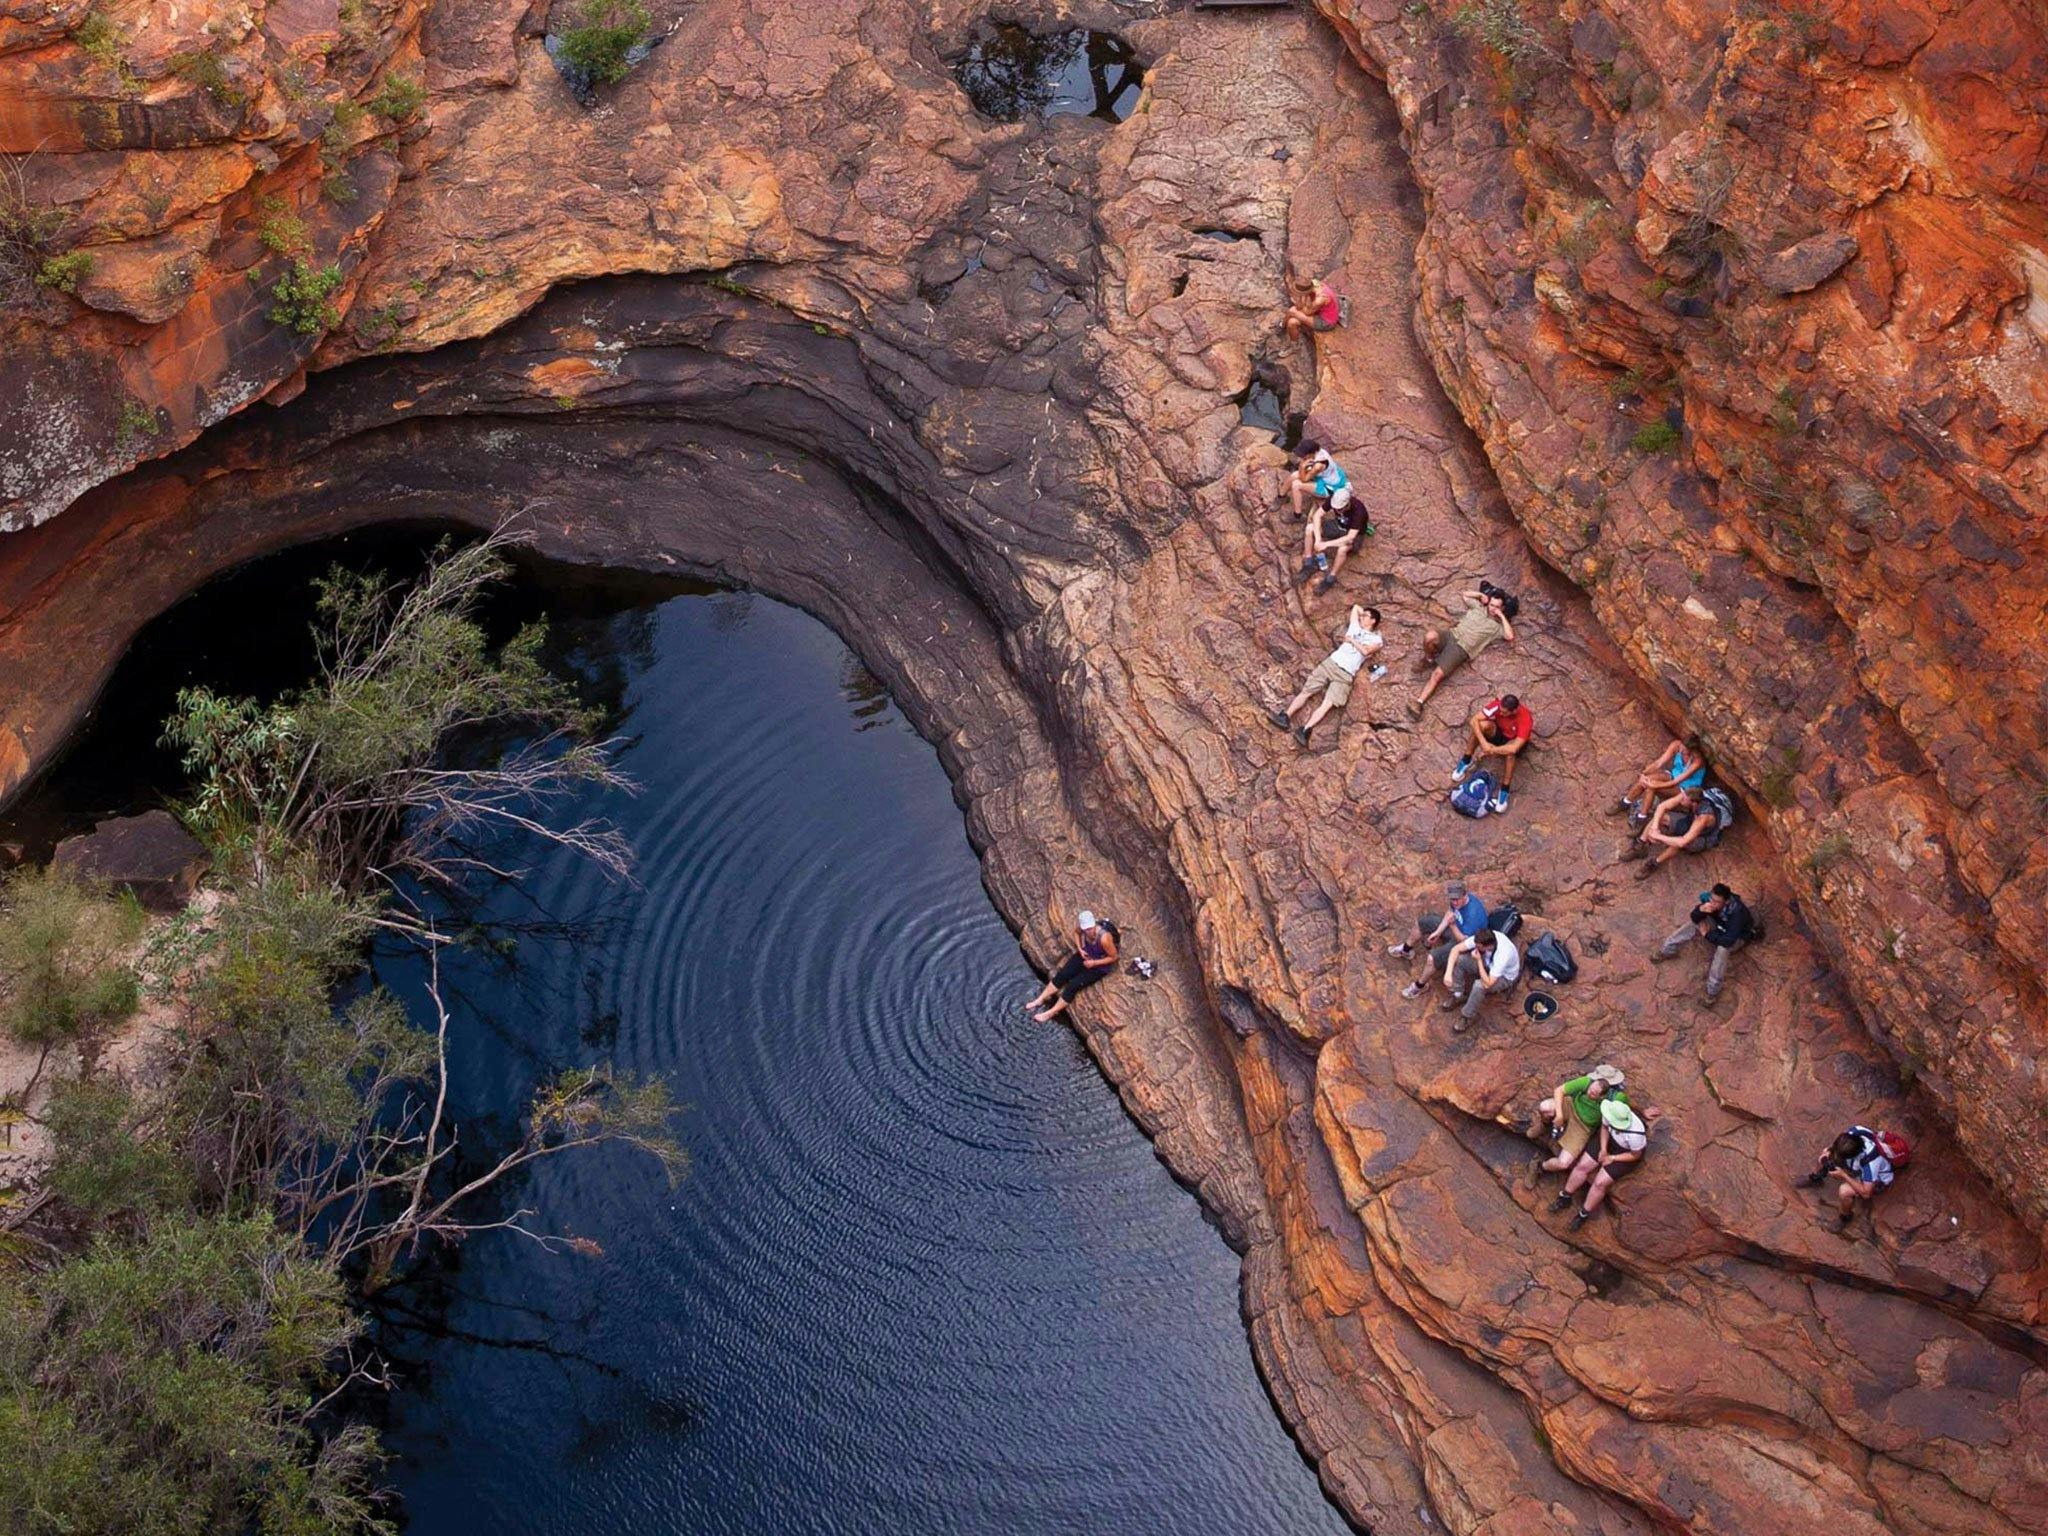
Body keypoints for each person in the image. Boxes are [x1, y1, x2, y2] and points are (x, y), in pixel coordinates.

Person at [1268, 605, 1381, 746]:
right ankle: (1285, 717)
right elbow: (1356, 608)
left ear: (1373, 620)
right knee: (1307, 690)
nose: (1361, 617)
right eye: (1362, 615)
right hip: (1331, 663)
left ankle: (1305, 730)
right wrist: (1363, 613)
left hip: (1345, 674)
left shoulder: (1376, 639)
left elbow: (1365, 651)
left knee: (1327, 704)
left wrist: (1352, 640)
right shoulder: (1355, 626)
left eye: (1365, 616)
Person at [1408, 585, 1517, 717]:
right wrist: (1480, 595)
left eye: (1497, 607)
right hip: (1452, 635)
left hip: (1461, 649)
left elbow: (1510, 636)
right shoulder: (1478, 607)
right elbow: (1465, 594)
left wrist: (1501, 616)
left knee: (1437, 674)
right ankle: (1429, 659)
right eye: (1492, 605)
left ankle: (1419, 703)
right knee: (1430, 636)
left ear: (1502, 608)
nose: (1493, 608)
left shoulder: (1497, 627)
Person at [1651, 883, 1752, 1002]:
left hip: (1736, 938)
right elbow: (1694, 917)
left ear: (1726, 901)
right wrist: (1701, 910)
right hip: (1720, 927)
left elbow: (1728, 941)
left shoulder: (1737, 913)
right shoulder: (1711, 902)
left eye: (1717, 902)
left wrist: (1707, 934)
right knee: (1696, 922)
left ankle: (1712, 992)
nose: (1712, 903)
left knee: (1722, 950)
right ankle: (1668, 949)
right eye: (1712, 899)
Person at [1554, 1097, 1648, 1224]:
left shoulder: (1635, 1135)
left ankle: (1583, 1214)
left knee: (1600, 1182)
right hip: (1608, 1140)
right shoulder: (1610, 1112)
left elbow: (1635, 1154)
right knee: (1583, 1165)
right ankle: (1565, 1195)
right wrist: (1603, 1150)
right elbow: (1604, 1128)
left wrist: (1612, 1158)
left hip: (1625, 1152)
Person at [1387, 879, 1489, 998]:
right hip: (1455, 928)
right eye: (1452, 899)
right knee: (1423, 922)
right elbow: (1449, 913)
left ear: (1465, 895)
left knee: (1432, 959)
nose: (1454, 902)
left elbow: (1463, 941)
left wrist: (1452, 925)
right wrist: (1437, 932)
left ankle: (1419, 987)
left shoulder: (1473, 915)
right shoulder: (1457, 901)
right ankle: (1406, 949)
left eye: (1456, 899)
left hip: (1464, 943)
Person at [1797, 1126, 1899, 1229]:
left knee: (1844, 1191)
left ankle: (1845, 1217)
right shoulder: (1854, 1133)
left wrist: (1843, 1175)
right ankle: (1816, 1178)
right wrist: (1827, 1158)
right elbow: (1834, 1149)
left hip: (1878, 1179)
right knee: (1825, 1154)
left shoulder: (1871, 1162)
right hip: (1857, 1165)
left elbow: (1866, 1193)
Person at [1026, 910, 1119, 1022]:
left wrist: (1094, 963)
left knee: (1073, 985)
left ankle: (1050, 1013)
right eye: (1086, 929)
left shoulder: (1104, 938)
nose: (1088, 931)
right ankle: (1040, 999)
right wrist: (1080, 949)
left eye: (1090, 928)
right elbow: (1076, 933)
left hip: (1100, 965)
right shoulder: (1082, 928)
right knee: (1063, 975)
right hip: (1087, 954)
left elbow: (1114, 957)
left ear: (1094, 924)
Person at [1535, 1063, 1628, 1175]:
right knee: (1545, 1107)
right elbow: (1559, 1090)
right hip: (1572, 1106)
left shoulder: (1616, 1098)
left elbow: (1620, 1114)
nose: (1589, 1092)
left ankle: (1540, 1166)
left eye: (1593, 1093)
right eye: (1590, 1089)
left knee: (1563, 1163)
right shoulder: (1587, 1082)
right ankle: (1545, 1126)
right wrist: (1559, 1115)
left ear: (1602, 1096)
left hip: (1584, 1126)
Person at [1453, 693, 1533, 814]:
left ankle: (1505, 788)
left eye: (1504, 713)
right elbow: (1474, 720)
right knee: (1481, 726)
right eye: (1500, 710)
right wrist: (1484, 743)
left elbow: (1514, 748)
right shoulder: (1497, 706)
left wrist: (1492, 750)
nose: (1501, 713)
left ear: (1514, 711)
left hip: (1513, 741)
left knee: (1510, 754)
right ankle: (1466, 760)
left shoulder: (1525, 718)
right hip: (1499, 733)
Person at [1296, 479, 1371, 599]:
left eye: (1340, 509)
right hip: (1338, 526)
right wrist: (1318, 539)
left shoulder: (1358, 510)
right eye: (1335, 509)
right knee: (1310, 528)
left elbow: (1350, 537)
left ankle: (1331, 578)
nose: (1337, 511)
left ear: (1347, 504)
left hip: (1354, 534)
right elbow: (1317, 515)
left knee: (1342, 549)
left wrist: (1326, 544)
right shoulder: (1334, 499)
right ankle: (1308, 563)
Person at [1628, 785, 1728, 874]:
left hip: (1703, 836)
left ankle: (1654, 863)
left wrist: (1658, 836)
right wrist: (1655, 828)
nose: (1680, 800)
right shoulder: (1689, 795)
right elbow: (1662, 806)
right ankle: (1641, 844)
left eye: (1684, 799)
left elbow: (1682, 842)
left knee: (1678, 843)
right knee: (1660, 817)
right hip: (1689, 821)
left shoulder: (1703, 818)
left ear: (1693, 803)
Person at [1439, 922, 1520, 1030]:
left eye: (1478, 947)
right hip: (1489, 965)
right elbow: (1456, 949)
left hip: (1504, 977)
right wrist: (1448, 973)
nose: (1476, 947)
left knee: (1479, 985)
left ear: (1488, 946)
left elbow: (1488, 983)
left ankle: (1467, 1016)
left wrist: (1478, 961)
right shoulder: (1484, 937)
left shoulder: (1503, 955)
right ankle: (1458, 994)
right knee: (1460, 959)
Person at [1611, 737, 1706, 822]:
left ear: (1692, 751)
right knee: (1647, 779)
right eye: (1682, 746)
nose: (1681, 749)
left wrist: (1655, 785)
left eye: (1684, 750)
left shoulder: (1697, 761)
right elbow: (1658, 763)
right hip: (1672, 776)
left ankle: (1642, 818)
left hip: (1685, 788)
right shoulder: (1676, 745)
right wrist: (1643, 774)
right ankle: (1625, 802)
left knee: (1651, 787)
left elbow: (1675, 782)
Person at [1283, 272, 1344, 341]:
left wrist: (1298, 305)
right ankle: (1294, 340)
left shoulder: (1321, 299)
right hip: (1318, 311)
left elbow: (1307, 312)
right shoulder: (1314, 282)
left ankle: (1282, 325)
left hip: (1326, 322)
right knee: (1291, 322)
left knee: (1292, 310)